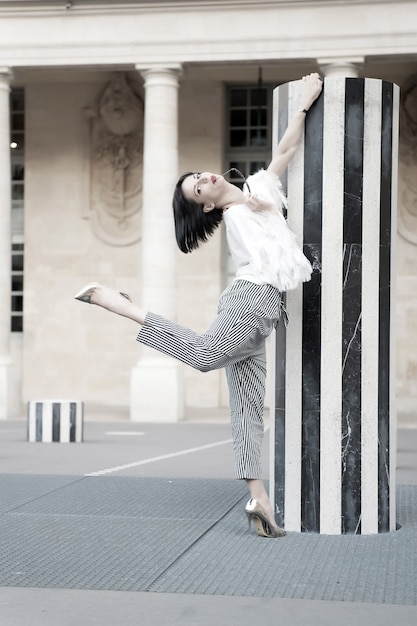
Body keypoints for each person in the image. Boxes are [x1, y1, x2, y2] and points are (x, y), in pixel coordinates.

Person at [75, 73, 323, 538]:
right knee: (206, 355)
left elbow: (285, 151)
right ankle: (120, 305)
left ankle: (259, 500)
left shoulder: (259, 188)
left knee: (249, 406)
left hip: (258, 307)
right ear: (205, 207)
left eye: (199, 177)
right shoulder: (234, 216)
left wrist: (305, 103)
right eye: (197, 190)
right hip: (251, 301)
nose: (204, 180)